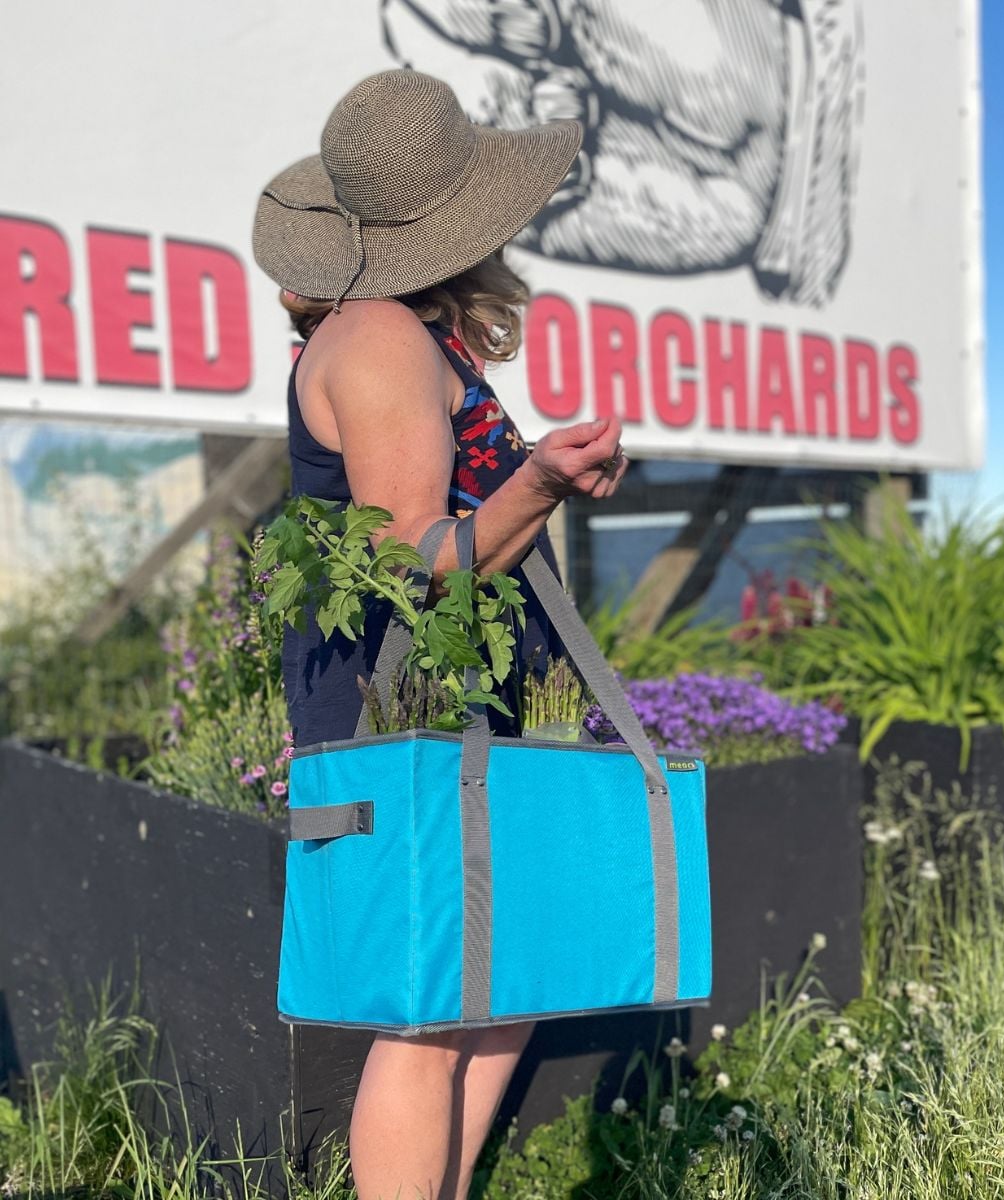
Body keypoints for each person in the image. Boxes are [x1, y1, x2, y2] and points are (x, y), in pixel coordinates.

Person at [251, 68, 629, 1200]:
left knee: (504, 984)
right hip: (402, 711)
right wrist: (537, 485)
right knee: (429, 1010)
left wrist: (537, 482)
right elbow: (415, 560)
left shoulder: (408, 330)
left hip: (480, 704)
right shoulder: (374, 336)